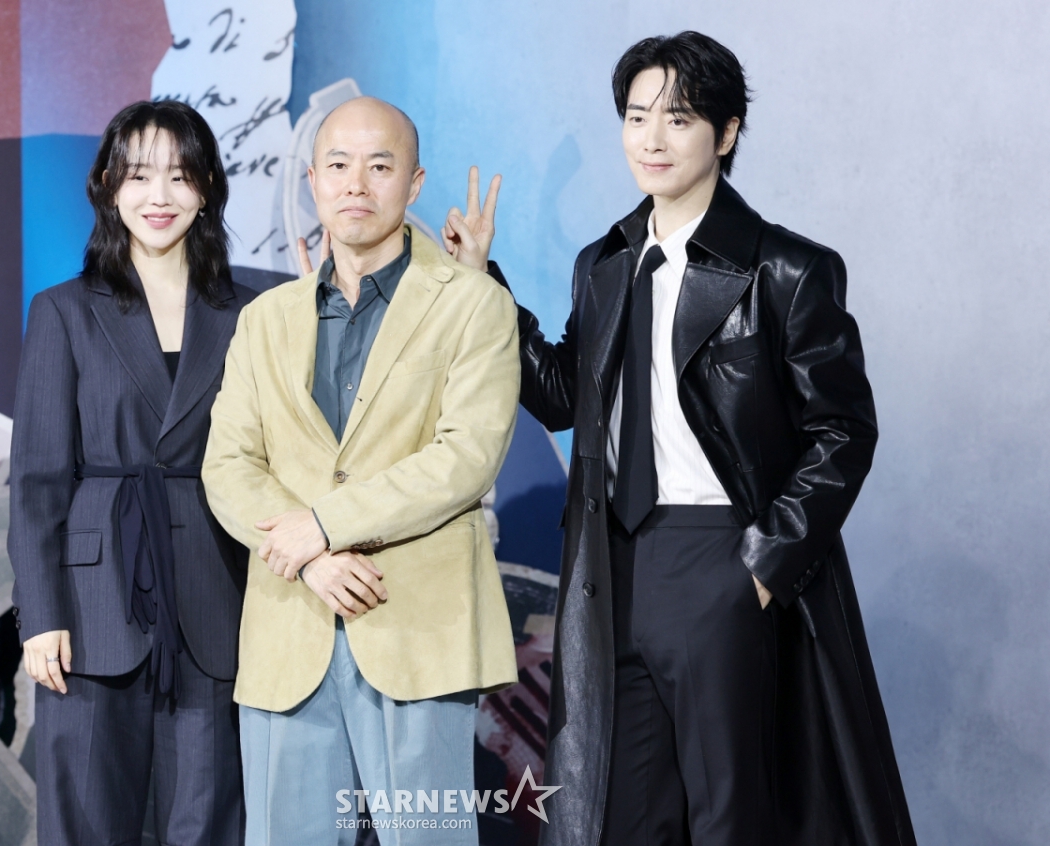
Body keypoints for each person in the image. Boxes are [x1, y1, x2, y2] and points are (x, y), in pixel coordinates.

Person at [443, 31, 917, 846]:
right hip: (609, 567)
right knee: (627, 815)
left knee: (730, 815)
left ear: (726, 133)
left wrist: (761, 568)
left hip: (721, 558)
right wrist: (486, 285)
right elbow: (563, 399)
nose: (652, 140)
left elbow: (842, 431)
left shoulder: (785, 269)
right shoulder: (605, 262)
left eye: (679, 118)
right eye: (636, 118)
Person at [201, 96, 519, 845]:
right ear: (313, 181)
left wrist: (323, 525)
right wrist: (309, 557)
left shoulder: (474, 305)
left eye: (380, 165)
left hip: (419, 628)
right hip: (290, 624)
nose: (356, 183)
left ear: (414, 182)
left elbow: (466, 457)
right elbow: (228, 463)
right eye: (338, 165)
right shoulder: (265, 318)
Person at [8, 99, 254, 846]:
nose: (159, 195)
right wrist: (40, 613)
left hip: (213, 592)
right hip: (91, 603)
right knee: (86, 818)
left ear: (207, 188)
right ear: (109, 186)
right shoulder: (64, 310)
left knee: (207, 820)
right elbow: (38, 480)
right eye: (140, 175)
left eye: (180, 175)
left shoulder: (250, 313)